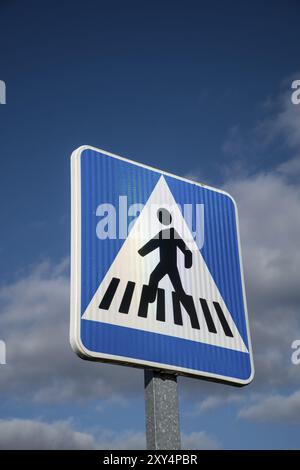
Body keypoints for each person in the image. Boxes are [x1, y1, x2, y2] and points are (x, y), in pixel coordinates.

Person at [138, 208, 192, 300]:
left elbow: (186, 250)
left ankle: (150, 299)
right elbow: (152, 244)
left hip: (168, 264)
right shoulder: (163, 233)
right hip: (165, 264)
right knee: (154, 277)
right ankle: (150, 299)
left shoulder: (171, 232)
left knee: (176, 288)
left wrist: (187, 263)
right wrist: (141, 252)